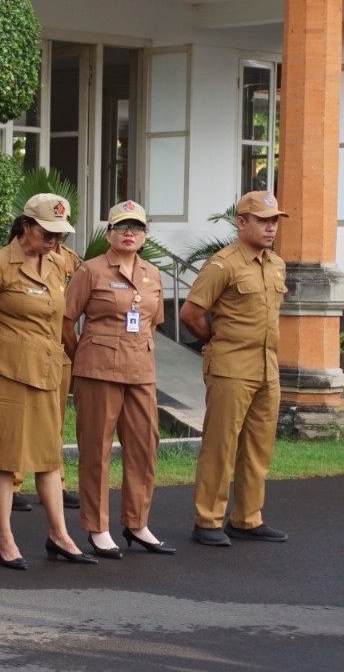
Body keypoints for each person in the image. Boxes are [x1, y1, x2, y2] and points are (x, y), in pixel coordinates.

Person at [0, 193, 96, 570]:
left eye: (60, 233)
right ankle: (5, 539)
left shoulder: (60, 263)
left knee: (49, 456)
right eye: (46, 232)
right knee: (6, 459)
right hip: (7, 371)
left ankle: (59, 534)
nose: (54, 240)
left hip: (46, 369)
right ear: (25, 226)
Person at [63, 201, 174, 558]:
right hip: (98, 371)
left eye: (137, 228)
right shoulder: (90, 270)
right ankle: (97, 529)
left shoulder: (152, 274)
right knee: (96, 450)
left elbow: (153, 321)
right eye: (122, 227)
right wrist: (84, 354)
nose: (130, 233)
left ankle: (137, 523)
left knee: (144, 446)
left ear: (144, 236)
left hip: (140, 371)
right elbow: (66, 321)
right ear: (109, 233)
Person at [179, 190, 290, 546]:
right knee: (220, 445)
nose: (270, 227)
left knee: (259, 448)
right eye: (262, 220)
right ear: (241, 223)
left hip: (266, 369)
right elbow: (190, 313)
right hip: (230, 368)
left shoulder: (276, 264)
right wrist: (213, 338)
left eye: (274, 220)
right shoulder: (222, 264)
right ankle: (208, 520)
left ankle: (246, 518)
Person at [12, 239, 82, 513]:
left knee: (56, 419)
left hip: (59, 349)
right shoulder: (20, 252)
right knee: (21, 419)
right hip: (27, 351)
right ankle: (15, 482)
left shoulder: (70, 258)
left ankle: (57, 483)